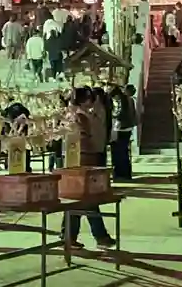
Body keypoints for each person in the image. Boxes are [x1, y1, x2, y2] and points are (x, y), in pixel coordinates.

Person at [60, 87, 115, 249]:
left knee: (83, 201)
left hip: (78, 160)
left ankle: (75, 236)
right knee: (82, 200)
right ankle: (91, 237)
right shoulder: (80, 116)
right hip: (84, 160)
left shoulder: (75, 114)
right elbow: (86, 139)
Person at [109, 86, 135, 181]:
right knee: (124, 152)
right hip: (126, 129)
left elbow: (120, 114)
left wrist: (113, 116)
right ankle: (125, 174)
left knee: (120, 152)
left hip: (121, 129)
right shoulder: (127, 100)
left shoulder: (122, 101)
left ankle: (122, 174)